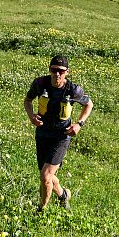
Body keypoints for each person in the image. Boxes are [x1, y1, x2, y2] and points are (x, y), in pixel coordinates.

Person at [25, 54, 92, 211]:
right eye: (54, 70)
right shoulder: (40, 84)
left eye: (61, 71)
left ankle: (41, 210)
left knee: (45, 176)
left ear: (67, 72)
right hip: (42, 133)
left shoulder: (73, 90)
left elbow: (89, 104)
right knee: (46, 175)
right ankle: (63, 195)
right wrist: (31, 116)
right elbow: (27, 100)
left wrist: (79, 124)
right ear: (49, 70)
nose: (57, 74)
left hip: (61, 135)